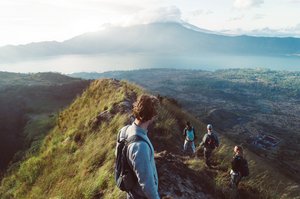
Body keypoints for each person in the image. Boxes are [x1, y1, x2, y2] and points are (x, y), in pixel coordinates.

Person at [116, 95, 160, 199]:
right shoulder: (140, 147)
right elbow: (147, 186)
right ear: (153, 115)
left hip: (131, 192)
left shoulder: (124, 131)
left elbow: (118, 157)